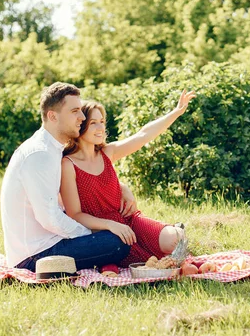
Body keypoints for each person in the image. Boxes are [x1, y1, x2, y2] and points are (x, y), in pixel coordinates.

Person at [0, 82, 138, 272]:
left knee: (116, 235)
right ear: (52, 116)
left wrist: (121, 187)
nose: (82, 117)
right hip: (34, 255)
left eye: (81, 111)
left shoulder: (52, 148)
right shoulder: (39, 154)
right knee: (116, 243)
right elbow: (49, 218)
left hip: (50, 241)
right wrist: (91, 233)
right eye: (75, 111)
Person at [60, 90, 196, 267]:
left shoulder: (107, 152)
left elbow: (143, 135)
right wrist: (110, 225)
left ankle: (175, 229)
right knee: (141, 260)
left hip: (129, 219)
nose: (100, 128)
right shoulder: (68, 164)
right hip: (104, 231)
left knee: (176, 239)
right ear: (80, 125)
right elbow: (75, 214)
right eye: (93, 123)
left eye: (102, 122)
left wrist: (176, 111)